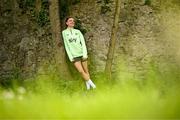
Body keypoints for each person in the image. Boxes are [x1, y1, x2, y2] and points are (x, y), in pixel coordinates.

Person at [62, 17, 96, 90]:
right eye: (70, 21)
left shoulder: (78, 31)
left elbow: (83, 43)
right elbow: (66, 45)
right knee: (81, 71)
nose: (72, 22)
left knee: (86, 71)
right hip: (74, 55)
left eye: (73, 21)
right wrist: (70, 57)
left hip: (82, 53)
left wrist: (85, 54)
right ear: (66, 23)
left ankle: (88, 88)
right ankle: (93, 86)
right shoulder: (64, 32)